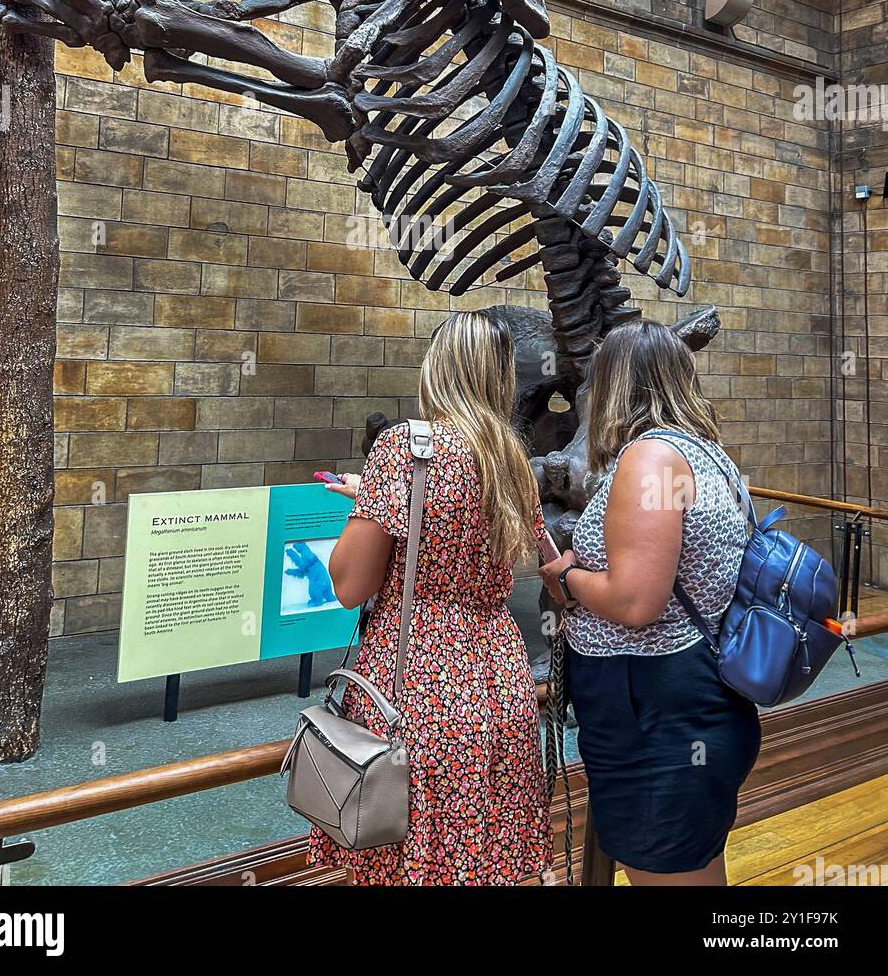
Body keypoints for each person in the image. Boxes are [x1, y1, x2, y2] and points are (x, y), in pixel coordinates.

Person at [309, 310, 553, 886]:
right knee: (482, 854)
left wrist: (368, 502)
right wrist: (381, 497)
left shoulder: (405, 448)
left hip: (419, 681)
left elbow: (349, 585)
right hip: (500, 681)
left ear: (436, 369)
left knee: (406, 853)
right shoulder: (512, 461)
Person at [540, 319, 761, 886]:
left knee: (665, 866)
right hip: (689, 696)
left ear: (613, 385)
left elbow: (637, 601)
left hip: (654, 706)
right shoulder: (707, 454)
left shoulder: (650, 459)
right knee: (690, 864)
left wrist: (568, 577)